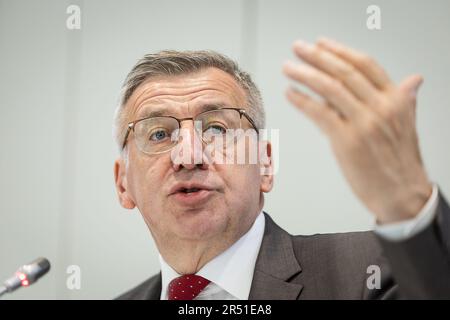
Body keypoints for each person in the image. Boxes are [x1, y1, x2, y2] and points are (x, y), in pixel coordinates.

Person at [113, 38, 450, 300]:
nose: (189, 155)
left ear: (266, 164)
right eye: (159, 133)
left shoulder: (373, 271)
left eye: (215, 128)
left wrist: (407, 204)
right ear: (123, 184)